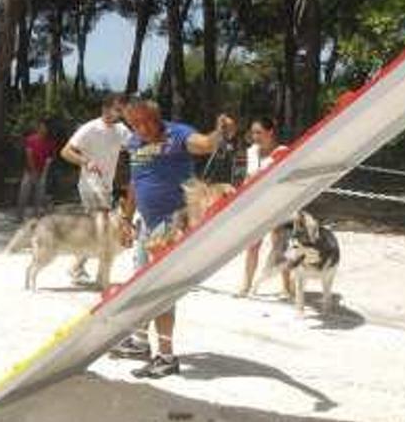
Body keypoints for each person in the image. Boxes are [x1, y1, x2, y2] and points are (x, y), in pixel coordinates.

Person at [109, 98, 235, 379]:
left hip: (174, 223)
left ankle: (165, 357)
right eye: (135, 124)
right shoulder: (134, 143)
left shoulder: (177, 134)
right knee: (142, 285)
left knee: (159, 291)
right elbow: (135, 182)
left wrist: (220, 131)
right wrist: (126, 219)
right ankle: (142, 342)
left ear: (157, 115)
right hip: (147, 225)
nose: (142, 128)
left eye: (147, 121)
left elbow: (205, 144)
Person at [60, 94, 131, 283]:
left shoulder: (121, 130)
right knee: (103, 228)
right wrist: (86, 161)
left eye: (122, 111)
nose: (120, 113)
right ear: (105, 109)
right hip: (90, 185)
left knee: (98, 230)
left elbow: (134, 147)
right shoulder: (89, 129)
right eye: (117, 109)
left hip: (106, 186)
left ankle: (77, 267)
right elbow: (65, 151)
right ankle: (85, 270)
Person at [239, 117, 291, 297]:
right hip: (255, 205)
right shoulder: (252, 151)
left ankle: (286, 286)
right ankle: (246, 286)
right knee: (252, 246)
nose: (255, 136)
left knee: (279, 246)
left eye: (259, 132)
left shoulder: (283, 151)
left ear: (270, 132)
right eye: (253, 132)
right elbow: (248, 177)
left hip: (277, 203)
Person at [17, 119, 57, 220]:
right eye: (42, 127)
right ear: (38, 128)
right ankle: (19, 216)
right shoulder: (30, 139)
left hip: (42, 171)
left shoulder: (50, 142)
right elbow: (28, 155)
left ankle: (36, 216)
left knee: (39, 195)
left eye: (45, 127)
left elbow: (50, 159)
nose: (44, 129)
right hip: (29, 171)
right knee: (24, 193)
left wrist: (44, 173)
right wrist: (33, 171)